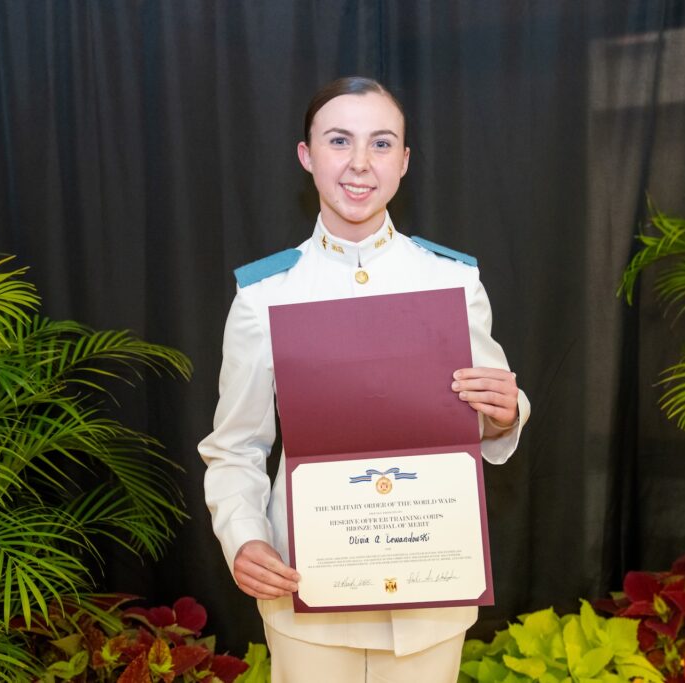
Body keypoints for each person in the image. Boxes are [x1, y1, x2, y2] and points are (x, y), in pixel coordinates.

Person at [199, 76, 530, 682]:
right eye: (338, 140)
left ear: (404, 161)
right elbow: (236, 447)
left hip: (431, 595)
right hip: (309, 596)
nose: (359, 163)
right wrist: (244, 538)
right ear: (306, 156)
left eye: (381, 143)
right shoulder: (265, 295)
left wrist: (506, 411)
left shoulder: (452, 281)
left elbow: (485, 411)